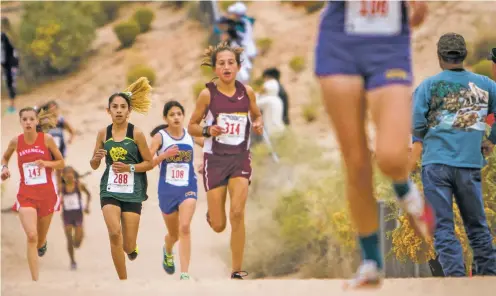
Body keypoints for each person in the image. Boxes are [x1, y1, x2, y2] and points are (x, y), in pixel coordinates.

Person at [314, 0, 432, 288]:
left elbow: (419, 13)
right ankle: (371, 262)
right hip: (339, 43)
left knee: (391, 157)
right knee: (356, 163)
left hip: (388, 49)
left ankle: (407, 191)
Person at [413, 33, 496, 277]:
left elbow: (416, 123)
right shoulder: (486, 85)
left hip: (436, 165)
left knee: (443, 228)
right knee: (477, 226)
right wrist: (491, 140)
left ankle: (456, 281)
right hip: (469, 165)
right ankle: (489, 280)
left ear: (439, 56)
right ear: (464, 55)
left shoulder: (428, 86)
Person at [188, 42, 264, 279]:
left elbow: (256, 115)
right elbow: (191, 127)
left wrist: (259, 123)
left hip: (240, 159)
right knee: (220, 224)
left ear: (239, 67)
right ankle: (213, 214)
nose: (226, 66)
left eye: (231, 62)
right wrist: (209, 130)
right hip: (215, 161)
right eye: (221, 63)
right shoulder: (207, 94)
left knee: (238, 213)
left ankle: (237, 270)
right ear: (215, 68)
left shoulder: (247, 92)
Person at [89, 77, 154, 280]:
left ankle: (131, 248)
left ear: (129, 111)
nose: (118, 110)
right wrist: (96, 158)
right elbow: (93, 164)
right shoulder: (103, 133)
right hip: (109, 189)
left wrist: (129, 168)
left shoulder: (137, 134)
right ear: (108, 110)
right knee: (114, 233)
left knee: (127, 244)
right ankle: (123, 283)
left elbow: (150, 163)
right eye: (114, 107)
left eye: (122, 107)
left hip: (133, 191)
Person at [1, 107, 65, 281]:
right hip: (26, 195)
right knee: (31, 235)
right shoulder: (16, 141)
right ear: (21, 122)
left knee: (39, 239)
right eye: (24, 119)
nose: (28, 122)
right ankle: (35, 281)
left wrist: (46, 163)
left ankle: (42, 243)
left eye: (31, 119)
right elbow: (5, 157)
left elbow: (61, 162)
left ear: (37, 122)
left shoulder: (47, 140)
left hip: (47, 195)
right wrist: (4, 168)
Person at [149, 100, 204, 280]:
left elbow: (213, 148)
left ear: (183, 116)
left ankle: (185, 273)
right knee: (174, 234)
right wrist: (164, 156)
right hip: (167, 189)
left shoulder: (191, 136)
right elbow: (147, 162)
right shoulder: (160, 137)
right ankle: (168, 249)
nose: (176, 117)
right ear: (165, 118)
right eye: (172, 115)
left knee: (185, 227)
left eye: (179, 114)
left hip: (188, 187)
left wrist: (207, 162)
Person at [60, 166, 91, 270]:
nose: (69, 175)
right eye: (67, 173)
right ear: (63, 176)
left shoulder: (79, 185)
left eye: (71, 173)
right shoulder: (61, 188)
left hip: (78, 214)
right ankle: (72, 261)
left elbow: (88, 194)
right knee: (69, 238)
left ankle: (79, 237)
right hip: (67, 215)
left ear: (74, 174)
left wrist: (87, 206)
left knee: (77, 243)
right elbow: (54, 197)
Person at [257, 68, 285, 136]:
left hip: (271, 131)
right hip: (280, 129)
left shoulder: (267, 100)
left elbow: (253, 104)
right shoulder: (278, 100)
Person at [1, 17, 19, 114]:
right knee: (10, 83)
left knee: (10, 83)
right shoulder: (5, 35)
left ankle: (12, 105)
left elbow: (7, 51)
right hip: (9, 64)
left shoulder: (4, 36)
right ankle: (12, 104)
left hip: (11, 64)